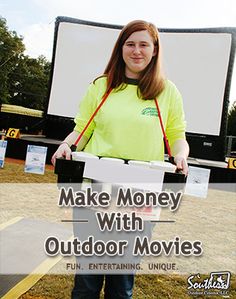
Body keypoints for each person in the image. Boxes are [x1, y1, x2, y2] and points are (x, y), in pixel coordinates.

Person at [52, 20, 189, 299]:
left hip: (141, 198)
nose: (136, 51)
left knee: (121, 281)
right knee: (87, 279)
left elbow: (177, 135)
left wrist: (181, 155)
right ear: (121, 48)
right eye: (130, 44)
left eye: (143, 44)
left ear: (154, 50)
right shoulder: (101, 86)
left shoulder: (167, 91)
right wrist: (66, 145)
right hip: (95, 193)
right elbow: (83, 128)